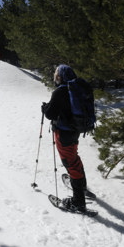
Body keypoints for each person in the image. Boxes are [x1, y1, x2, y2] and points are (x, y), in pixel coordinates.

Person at [42, 64, 87, 213]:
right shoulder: (76, 89)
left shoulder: (60, 91)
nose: (55, 78)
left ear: (60, 76)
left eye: (56, 75)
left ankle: (78, 202)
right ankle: (82, 185)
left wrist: (45, 108)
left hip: (64, 133)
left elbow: (50, 114)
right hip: (75, 131)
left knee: (70, 162)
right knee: (74, 157)